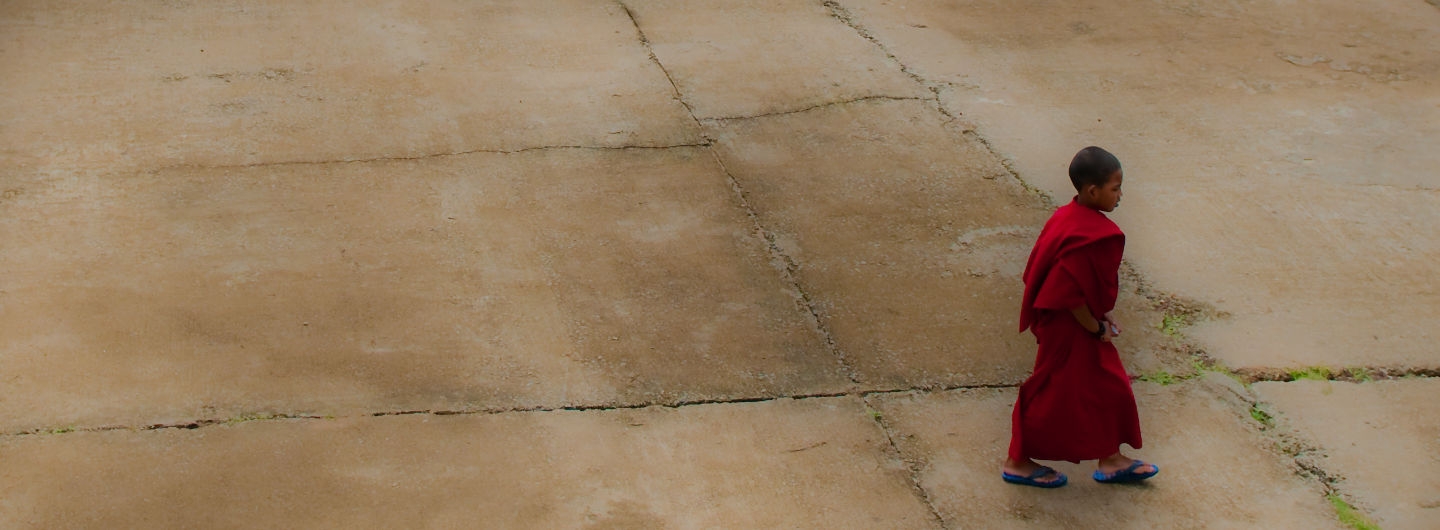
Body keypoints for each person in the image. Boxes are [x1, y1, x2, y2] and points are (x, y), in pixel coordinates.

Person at [1001, 146, 1158, 488]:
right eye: (1115, 188)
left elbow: (1071, 282)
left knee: (1105, 387)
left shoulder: (1066, 218)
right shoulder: (1088, 235)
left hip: (1074, 324)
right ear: (1093, 191)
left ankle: (1111, 459)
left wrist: (1104, 312)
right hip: (1069, 329)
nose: (1120, 195)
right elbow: (1066, 295)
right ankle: (1017, 461)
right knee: (1050, 392)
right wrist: (1096, 326)